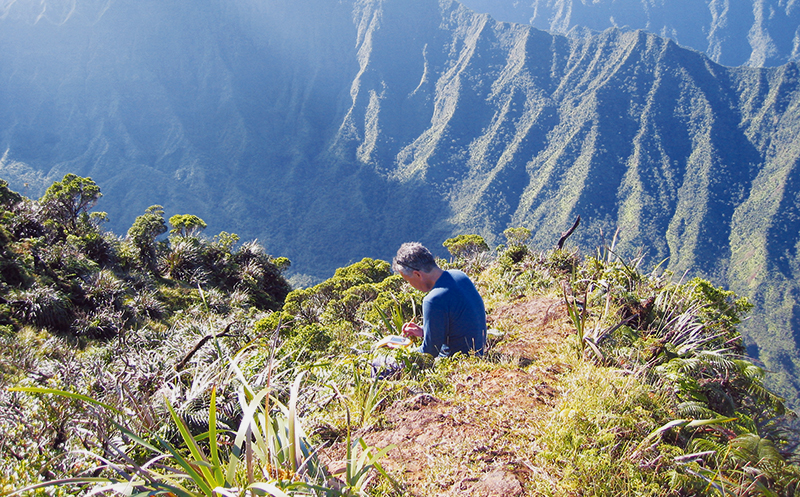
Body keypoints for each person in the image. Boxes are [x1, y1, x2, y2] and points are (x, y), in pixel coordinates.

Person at [392, 242, 486, 358]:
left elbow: (429, 353)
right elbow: (458, 326)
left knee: (380, 363)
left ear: (417, 275)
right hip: (479, 353)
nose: (410, 285)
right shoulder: (460, 275)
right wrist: (424, 331)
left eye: (408, 280)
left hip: (457, 362)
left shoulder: (433, 300)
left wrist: (400, 351)